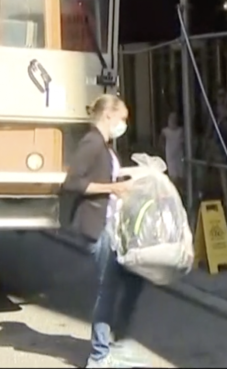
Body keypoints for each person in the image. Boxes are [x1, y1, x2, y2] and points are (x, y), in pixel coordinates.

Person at [60, 94, 146, 368]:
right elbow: (72, 183)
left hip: (108, 224)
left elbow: (104, 177)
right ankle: (99, 355)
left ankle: (116, 343)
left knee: (133, 279)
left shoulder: (105, 146)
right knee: (107, 289)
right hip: (95, 227)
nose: (124, 124)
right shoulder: (92, 142)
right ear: (108, 115)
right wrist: (113, 188)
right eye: (122, 118)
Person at [161, 112, 185, 183]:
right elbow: (161, 141)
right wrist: (163, 148)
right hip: (170, 155)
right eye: (171, 119)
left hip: (179, 155)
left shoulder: (181, 130)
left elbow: (184, 140)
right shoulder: (165, 131)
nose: (173, 121)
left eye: (174, 119)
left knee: (180, 174)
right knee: (173, 175)